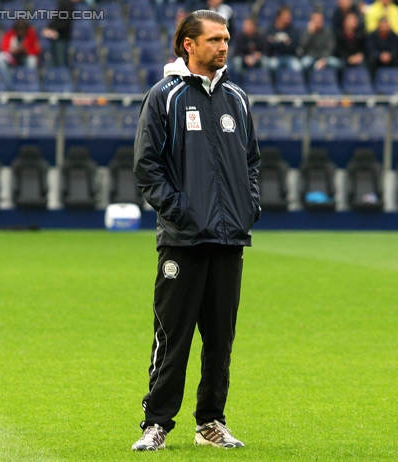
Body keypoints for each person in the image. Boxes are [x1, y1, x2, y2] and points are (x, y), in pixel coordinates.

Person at [131, 9, 261, 451]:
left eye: (226, 38)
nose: (224, 46)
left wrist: (249, 206)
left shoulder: (238, 98)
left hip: (229, 238)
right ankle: (156, 424)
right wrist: (180, 212)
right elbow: (146, 166)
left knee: (220, 339)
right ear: (189, 44)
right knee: (172, 335)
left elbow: (252, 162)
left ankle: (211, 422)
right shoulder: (164, 95)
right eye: (214, 40)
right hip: (183, 239)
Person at [0, 19, 41, 87]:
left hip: (25, 57)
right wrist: (12, 51)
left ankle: (28, 83)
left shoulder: (31, 34)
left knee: (32, 60)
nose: (21, 32)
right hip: (13, 57)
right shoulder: (10, 33)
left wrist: (26, 51)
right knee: (0, 57)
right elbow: (3, 47)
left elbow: (37, 50)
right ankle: (8, 84)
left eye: (23, 30)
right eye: (19, 29)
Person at [266, 5, 302, 71]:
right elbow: (269, 45)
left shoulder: (293, 30)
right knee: (271, 66)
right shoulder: (271, 29)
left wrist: (276, 41)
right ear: (278, 17)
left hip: (290, 56)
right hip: (275, 56)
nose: (289, 17)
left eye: (289, 15)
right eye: (286, 15)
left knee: (297, 67)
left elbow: (293, 46)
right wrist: (285, 42)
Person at [42, 0, 76, 67]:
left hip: (62, 38)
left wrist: (54, 30)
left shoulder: (68, 4)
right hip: (55, 38)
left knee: (61, 63)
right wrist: (49, 28)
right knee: (53, 63)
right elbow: (56, 19)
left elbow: (66, 22)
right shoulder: (61, 3)